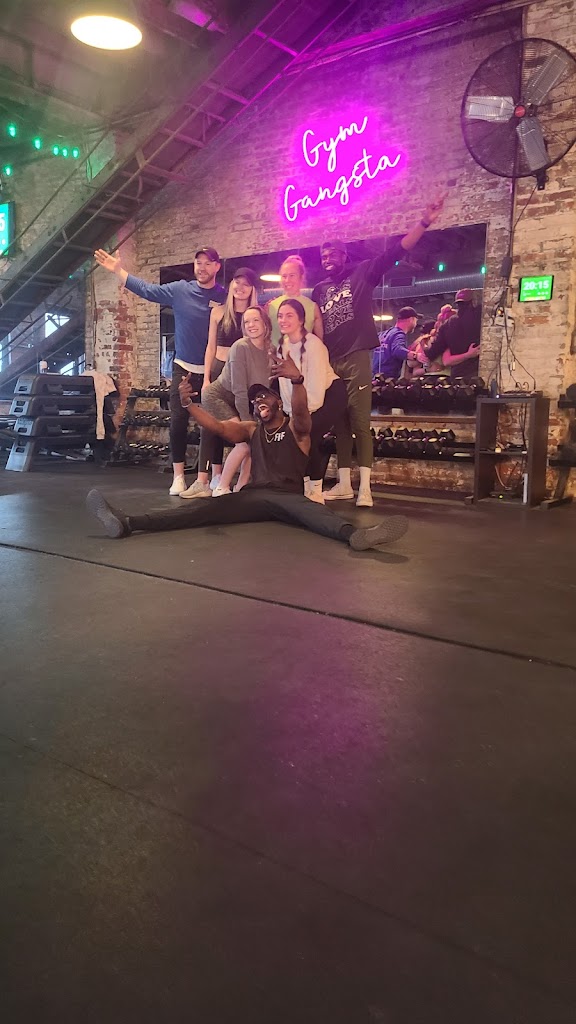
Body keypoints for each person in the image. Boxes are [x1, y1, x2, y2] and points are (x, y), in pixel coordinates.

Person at [85, 365, 409, 552]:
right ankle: (129, 523)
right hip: (253, 496)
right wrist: (188, 406)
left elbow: (300, 411)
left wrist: (297, 381)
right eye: (255, 400)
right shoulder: (252, 429)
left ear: (278, 402)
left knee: (316, 515)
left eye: (264, 396)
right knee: (199, 510)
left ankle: (357, 536)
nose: (258, 402)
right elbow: (218, 428)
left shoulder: (297, 429)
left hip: (288, 496)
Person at [312, 197, 445, 508]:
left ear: (344, 255)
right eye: (324, 255)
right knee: (339, 425)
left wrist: (424, 222)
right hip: (330, 362)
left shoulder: (363, 273)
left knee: (360, 422)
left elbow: (396, 251)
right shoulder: (319, 290)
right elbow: (311, 323)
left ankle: (365, 489)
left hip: (358, 356)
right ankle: (344, 485)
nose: (328, 258)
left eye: (333, 254)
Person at [94, 245, 226, 496]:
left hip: (213, 369)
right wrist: (119, 271)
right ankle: (178, 477)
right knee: (178, 422)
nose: (202, 268)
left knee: (214, 425)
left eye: (208, 263)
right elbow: (148, 290)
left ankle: (216, 476)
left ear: (217, 266)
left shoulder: (224, 296)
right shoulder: (180, 290)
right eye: (198, 262)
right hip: (184, 367)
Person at [182, 305, 272, 498]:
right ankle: (221, 487)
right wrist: (246, 424)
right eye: (246, 322)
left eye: (255, 320)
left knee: (255, 442)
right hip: (218, 397)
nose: (251, 325)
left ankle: (241, 488)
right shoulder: (240, 347)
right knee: (244, 442)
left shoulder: (270, 350)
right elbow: (239, 390)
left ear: (265, 323)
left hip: (241, 401)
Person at [274, 298, 347, 503]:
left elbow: (316, 388)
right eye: (280, 316)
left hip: (329, 395)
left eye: (289, 315)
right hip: (301, 399)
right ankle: (304, 487)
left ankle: (316, 491)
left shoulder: (315, 346)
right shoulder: (281, 347)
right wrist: (291, 413)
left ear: (301, 320)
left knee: (308, 433)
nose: (283, 320)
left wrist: (304, 415)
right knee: (296, 433)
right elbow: (285, 384)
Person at [266, 255, 323, 346]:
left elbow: (320, 343)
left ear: (301, 277)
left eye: (292, 275)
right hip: (276, 354)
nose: (287, 280)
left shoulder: (312, 307)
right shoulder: (271, 306)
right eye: (284, 276)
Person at [426, 289, 481, 378]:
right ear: (473, 301)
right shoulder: (481, 318)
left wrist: (423, 344)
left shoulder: (447, 325)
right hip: (478, 372)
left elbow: (432, 353)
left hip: (457, 375)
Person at [371, 307, 419, 379]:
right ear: (411, 320)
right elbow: (397, 350)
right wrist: (416, 356)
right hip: (388, 378)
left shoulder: (383, 334)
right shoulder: (399, 334)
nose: (416, 324)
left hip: (375, 377)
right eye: (416, 320)